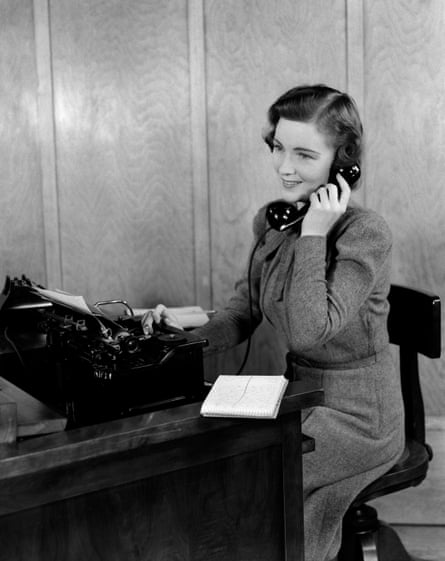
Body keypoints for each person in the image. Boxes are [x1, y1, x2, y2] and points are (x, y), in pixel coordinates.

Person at [143, 85, 405, 561]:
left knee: (261, 480)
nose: (285, 167)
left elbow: (309, 329)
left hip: (361, 416)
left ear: (343, 162)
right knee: (227, 471)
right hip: (300, 398)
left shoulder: (365, 233)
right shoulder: (274, 222)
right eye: (278, 148)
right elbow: (244, 312)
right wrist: (174, 343)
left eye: (304, 154)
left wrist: (313, 236)